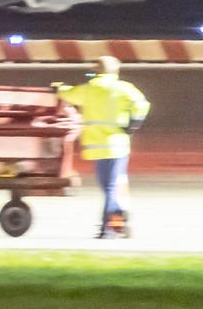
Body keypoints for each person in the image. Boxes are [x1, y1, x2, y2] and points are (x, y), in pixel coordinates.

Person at [59, 55, 151, 238]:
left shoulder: (89, 89)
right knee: (110, 188)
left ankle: (108, 228)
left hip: (97, 147)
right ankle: (118, 222)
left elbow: (68, 94)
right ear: (115, 71)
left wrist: (58, 87)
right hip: (118, 145)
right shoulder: (124, 88)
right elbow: (142, 105)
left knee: (107, 187)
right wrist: (133, 124)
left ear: (96, 70)